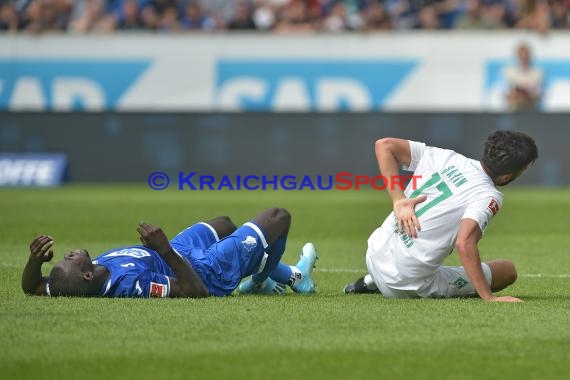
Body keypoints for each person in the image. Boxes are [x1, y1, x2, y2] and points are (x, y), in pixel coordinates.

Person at [343, 131, 538, 302]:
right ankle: (380, 282)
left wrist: (398, 200)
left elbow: (384, 145)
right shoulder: (488, 195)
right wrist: (488, 297)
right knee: (506, 270)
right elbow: (464, 243)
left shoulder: (446, 157)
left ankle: (371, 281)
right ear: (506, 176)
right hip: (403, 284)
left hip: (375, 253)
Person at [22, 208, 318, 298]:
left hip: (178, 250)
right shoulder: (131, 285)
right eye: (69, 262)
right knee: (279, 217)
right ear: (87, 275)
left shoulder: (72, 282)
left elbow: (33, 286)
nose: (67, 255)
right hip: (203, 271)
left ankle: (263, 274)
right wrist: (163, 249)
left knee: (225, 224)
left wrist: (35, 262)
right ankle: (289, 277)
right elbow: (194, 291)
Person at [503, 43, 543, 111]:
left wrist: (523, 93)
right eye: (521, 55)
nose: (523, 58)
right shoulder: (508, 72)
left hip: (531, 109)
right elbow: (506, 94)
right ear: (517, 56)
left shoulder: (537, 73)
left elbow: (538, 94)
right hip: (513, 109)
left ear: (529, 56)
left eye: (525, 55)